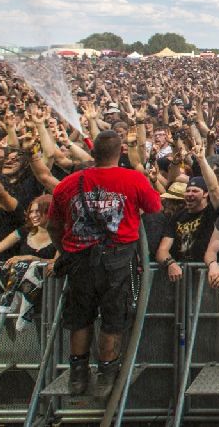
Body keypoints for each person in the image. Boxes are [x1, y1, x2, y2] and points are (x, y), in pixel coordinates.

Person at [47, 130, 161, 395]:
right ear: (120, 152)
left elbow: (53, 225)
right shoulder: (133, 179)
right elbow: (155, 207)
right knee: (113, 317)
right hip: (117, 260)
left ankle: (78, 376)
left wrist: (63, 249)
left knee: (81, 317)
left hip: (79, 259)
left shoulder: (67, 184)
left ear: (93, 153)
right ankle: (106, 375)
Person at [0, 195, 57, 292]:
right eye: (31, 212)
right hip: (23, 290)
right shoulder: (23, 231)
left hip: (51, 291)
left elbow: (57, 263)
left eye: (38, 211)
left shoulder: (61, 234)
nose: (34, 215)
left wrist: (33, 259)